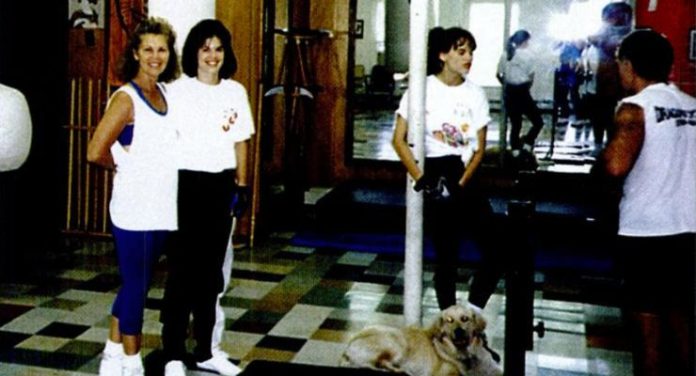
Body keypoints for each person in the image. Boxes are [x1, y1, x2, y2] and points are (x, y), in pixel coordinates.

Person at [86, 17, 180, 376]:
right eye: (148, 50)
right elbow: (95, 150)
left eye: (162, 49)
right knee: (138, 288)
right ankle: (132, 362)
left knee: (134, 283)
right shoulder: (126, 99)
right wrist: (125, 166)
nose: (155, 56)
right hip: (134, 210)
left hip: (163, 208)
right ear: (136, 54)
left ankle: (111, 354)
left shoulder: (167, 93)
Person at [160, 19, 253, 376]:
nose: (212, 56)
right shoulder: (176, 90)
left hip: (220, 186)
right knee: (182, 270)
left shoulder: (235, 92)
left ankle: (205, 351)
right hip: (185, 186)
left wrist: (242, 187)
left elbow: (241, 141)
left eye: (218, 48)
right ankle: (172, 353)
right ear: (194, 53)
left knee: (211, 274)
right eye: (205, 49)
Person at [600, 29, 695, 376]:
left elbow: (614, 166)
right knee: (682, 322)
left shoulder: (634, 109)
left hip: (646, 233)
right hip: (688, 229)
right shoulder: (692, 106)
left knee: (647, 334)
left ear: (628, 65)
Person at [392, 27, 504, 312]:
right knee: (447, 258)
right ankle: (449, 323)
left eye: (471, 53)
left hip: (463, 174)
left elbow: (479, 150)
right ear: (443, 55)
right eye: (461, 51)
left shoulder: (475, 94)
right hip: (434, 172)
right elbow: (398, 140)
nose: (469, 58)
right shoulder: (421, 90)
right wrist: (423, 180)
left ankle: (472, 314)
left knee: (496, 253)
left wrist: (460, 186)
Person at [587, 1, 632, 151]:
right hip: (604, 83)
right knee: (601, 114)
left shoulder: (626, 35)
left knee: (613, 116)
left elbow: (611, 45)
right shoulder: (606, 33)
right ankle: (600, 143)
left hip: (617, 83)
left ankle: (610, 144)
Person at [496, 30, 545, 157]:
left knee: (515, 124)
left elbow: (498, 74)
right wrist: (525, 88)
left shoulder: (506, 54)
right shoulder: (529, 55)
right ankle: (528, 143)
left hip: (510, 91)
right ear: (525, 41)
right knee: (538, 121)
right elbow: (531, 77)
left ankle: (515, 150)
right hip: (522, 91)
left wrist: (506, 85)